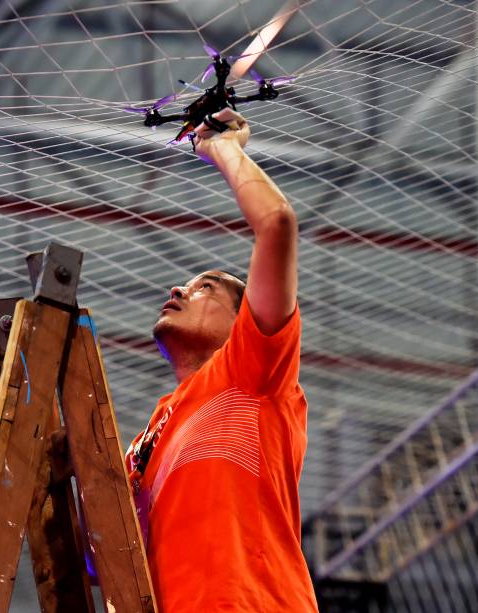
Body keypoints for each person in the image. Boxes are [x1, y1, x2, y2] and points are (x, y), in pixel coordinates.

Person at [125, 108, 319, 612]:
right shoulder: (149, 436)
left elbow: (276, 223)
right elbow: (100, 553)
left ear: (245, 324)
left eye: (203, 287)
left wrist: (220, 147)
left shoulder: (252, 369)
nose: (178, 289)